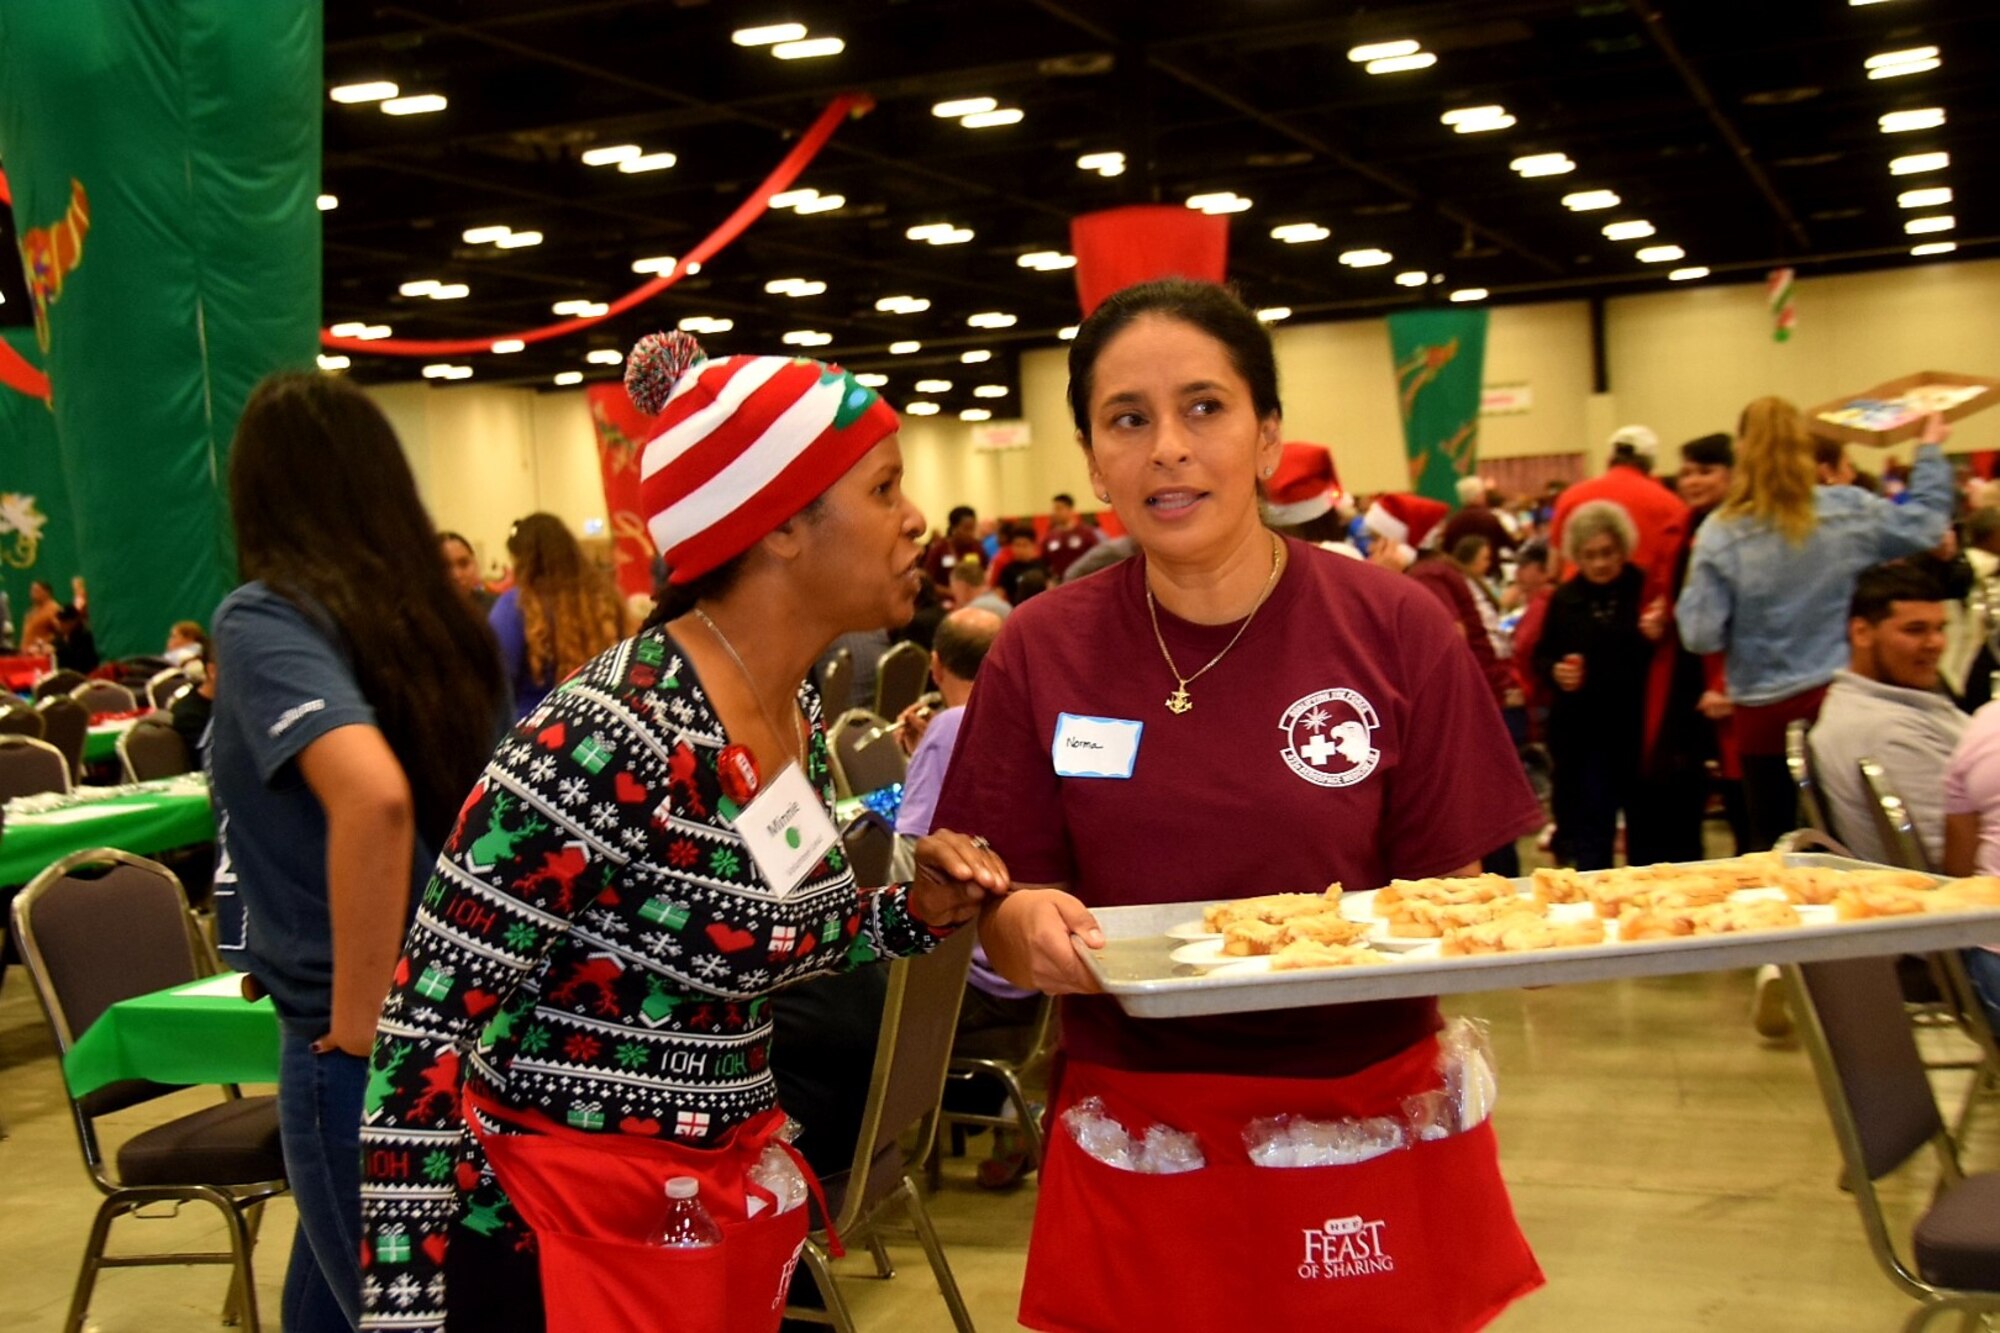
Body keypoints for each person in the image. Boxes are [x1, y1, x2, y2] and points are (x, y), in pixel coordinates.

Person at [356, 331, 1020, 1333]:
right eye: (884, 488)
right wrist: (403, 1311)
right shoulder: (604, 735)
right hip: (556, 1247)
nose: (917, 519)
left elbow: (780, 929)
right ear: (780, 526)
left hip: (701, 1221)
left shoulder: (781, 709)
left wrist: (909, 912)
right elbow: (421, 1030)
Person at [934, 278, 1545, 1332]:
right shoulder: (1040, 647)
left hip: (1360, 1112)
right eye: (1128, 419)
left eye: (1203, 407)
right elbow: (1007, 879)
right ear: (1092, 458)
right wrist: (1017, 917)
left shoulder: (1394, 628)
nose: (1166, 447)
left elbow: (1451, 892)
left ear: (1266, 436)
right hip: (1142, 1122)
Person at [210, 372, 508, 1333]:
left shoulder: (265, 618)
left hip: (364, 1049)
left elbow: (373, 797)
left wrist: (359, 1010)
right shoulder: (439, 628)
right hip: (463, 1029)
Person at [1678, 402, 1953, 850]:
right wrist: (1928, 451)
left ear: (1742, 451)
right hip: (1840, 701)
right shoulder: (1850, 510)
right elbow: (1925, 524)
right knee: (1857, 837)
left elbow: (1699, 633)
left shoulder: (1719, 534)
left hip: (1763, 713)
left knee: (1773, 843)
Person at [891, 606, 1040, 1186]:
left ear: (933, 664)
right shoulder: (1023, 712)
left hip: (972, 977)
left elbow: (911, 861)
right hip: (1029, 970)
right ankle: (1008, 1112)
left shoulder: (953, 724)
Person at [1628, 432, 1745, 863]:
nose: (1694, 482)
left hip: (1730, 676)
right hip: (1678, 677)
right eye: (1688, 473)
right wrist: (1653, 618)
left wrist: (1727, 682)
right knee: (1675, 796)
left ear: (1733, 474)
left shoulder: (1744, 530)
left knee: (1743, 801)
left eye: (1706, 471)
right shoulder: (1676, 530)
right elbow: (1659, 593)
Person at [1534, 501, 1662, 870]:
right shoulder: (1564, 598)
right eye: (1590, 556)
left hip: (1638, 731)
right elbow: (1542, 656)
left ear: (1623, 548)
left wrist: (1658, 633)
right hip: (1586, 738)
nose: (1601, 563)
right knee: (1592, 833)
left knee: (1647, 834)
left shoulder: (1644, 589)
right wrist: (1556, 671)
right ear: (1577, 557)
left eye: (1608, 553)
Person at [1808, 563, 1962, 865]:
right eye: (1915, 630)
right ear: (1862, 633)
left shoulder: (1889, 706)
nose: (1936, 644)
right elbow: (1949, 859)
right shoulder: (1884, 731)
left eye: (1940, 629)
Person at [488, 512, 624, 718]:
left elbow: (495, 682)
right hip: (599, 721)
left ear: (520, 559)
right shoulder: (606, 598)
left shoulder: (514, 606)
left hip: (534, 731)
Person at [1550, 425, 1688, 591]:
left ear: (1609, 459)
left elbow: (1553, 568)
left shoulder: (1569, 496)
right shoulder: (1672, 504)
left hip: (1576, 605)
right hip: (1644, 603)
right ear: (1650, 464)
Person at [1440, 475, 1518, 560]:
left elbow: (1446, 549)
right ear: (1479, 495)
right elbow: (1509, 543)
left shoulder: (1454, 521)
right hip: (1490, 569)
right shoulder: (1489, 518)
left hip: (1460, 570)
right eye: (1483, 493)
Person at [923, 504, 982, 595]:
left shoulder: (976, 547)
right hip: (947, 602)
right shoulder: (939, 549)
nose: (971, 533)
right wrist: (952, 593)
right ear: (953, 528)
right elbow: (927, 582)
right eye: (966, 529)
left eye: (973, 528)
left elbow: (985, 572)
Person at [1040, 492, 1101, 580]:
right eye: (1054, 509)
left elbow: (1096, 558)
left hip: (1083, 581)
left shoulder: (1086, 533)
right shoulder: (1049, 537)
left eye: (1059, 508)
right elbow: (1044, 563)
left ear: (1070, 510)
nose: (1055, 513)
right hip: (1059, 583)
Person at [994, 523, 1049, 603]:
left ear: (1033, 545)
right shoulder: (1007, 570)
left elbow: (1050, 588)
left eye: (1025, 545)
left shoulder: (1041, 566)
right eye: (1017, 545)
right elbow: (999, 595)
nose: (1020, 549)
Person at [440, 530, 494, 611]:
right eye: (445, 567)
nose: (456, 575)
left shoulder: (496, 609)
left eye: (463, 563)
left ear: (475, 564)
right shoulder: (421, 615)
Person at [949, 554, 1012, 620]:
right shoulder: (1003, 604)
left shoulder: (973, 611)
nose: (955, 596)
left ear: (963, 587)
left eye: (955, 591)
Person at [50, 603, 99, 673]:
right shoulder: (60, 636)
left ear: (74, 621)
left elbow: (78, 659)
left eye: (64, 621)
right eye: (60, 621)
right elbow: (54, 645)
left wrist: (57, 650)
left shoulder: (84, 636)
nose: (60, 624)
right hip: (63, 675)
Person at [18, 577, 58, 655]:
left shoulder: (53, 609)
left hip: (40, 656)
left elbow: (59, 634)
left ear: (46, 592)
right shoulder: (32, 610)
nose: (32, 594)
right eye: (31, 590)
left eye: (36, 591)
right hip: (25, 656)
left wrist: (42, 644)